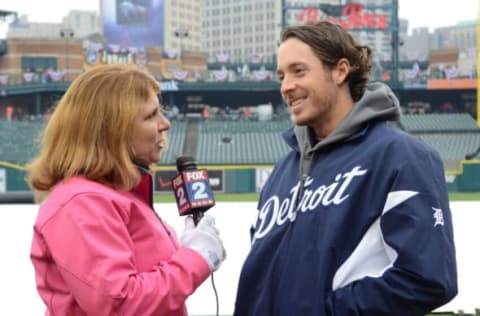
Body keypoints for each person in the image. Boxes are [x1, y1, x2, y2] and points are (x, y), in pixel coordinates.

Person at [234, 21, 457, 316]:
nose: (286, 86)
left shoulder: (401, 156)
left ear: (340, 70)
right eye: (281, 75)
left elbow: (427, 277)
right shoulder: (284, 170)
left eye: (299, 71)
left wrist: (328, 310)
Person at [28, 64, 226, 315]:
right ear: (112, 131)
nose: (165, 124)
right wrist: (195, 258)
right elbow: (118, 304)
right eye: (151, 115)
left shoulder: (117, 196)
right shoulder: (81, 202)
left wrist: (190, 250)